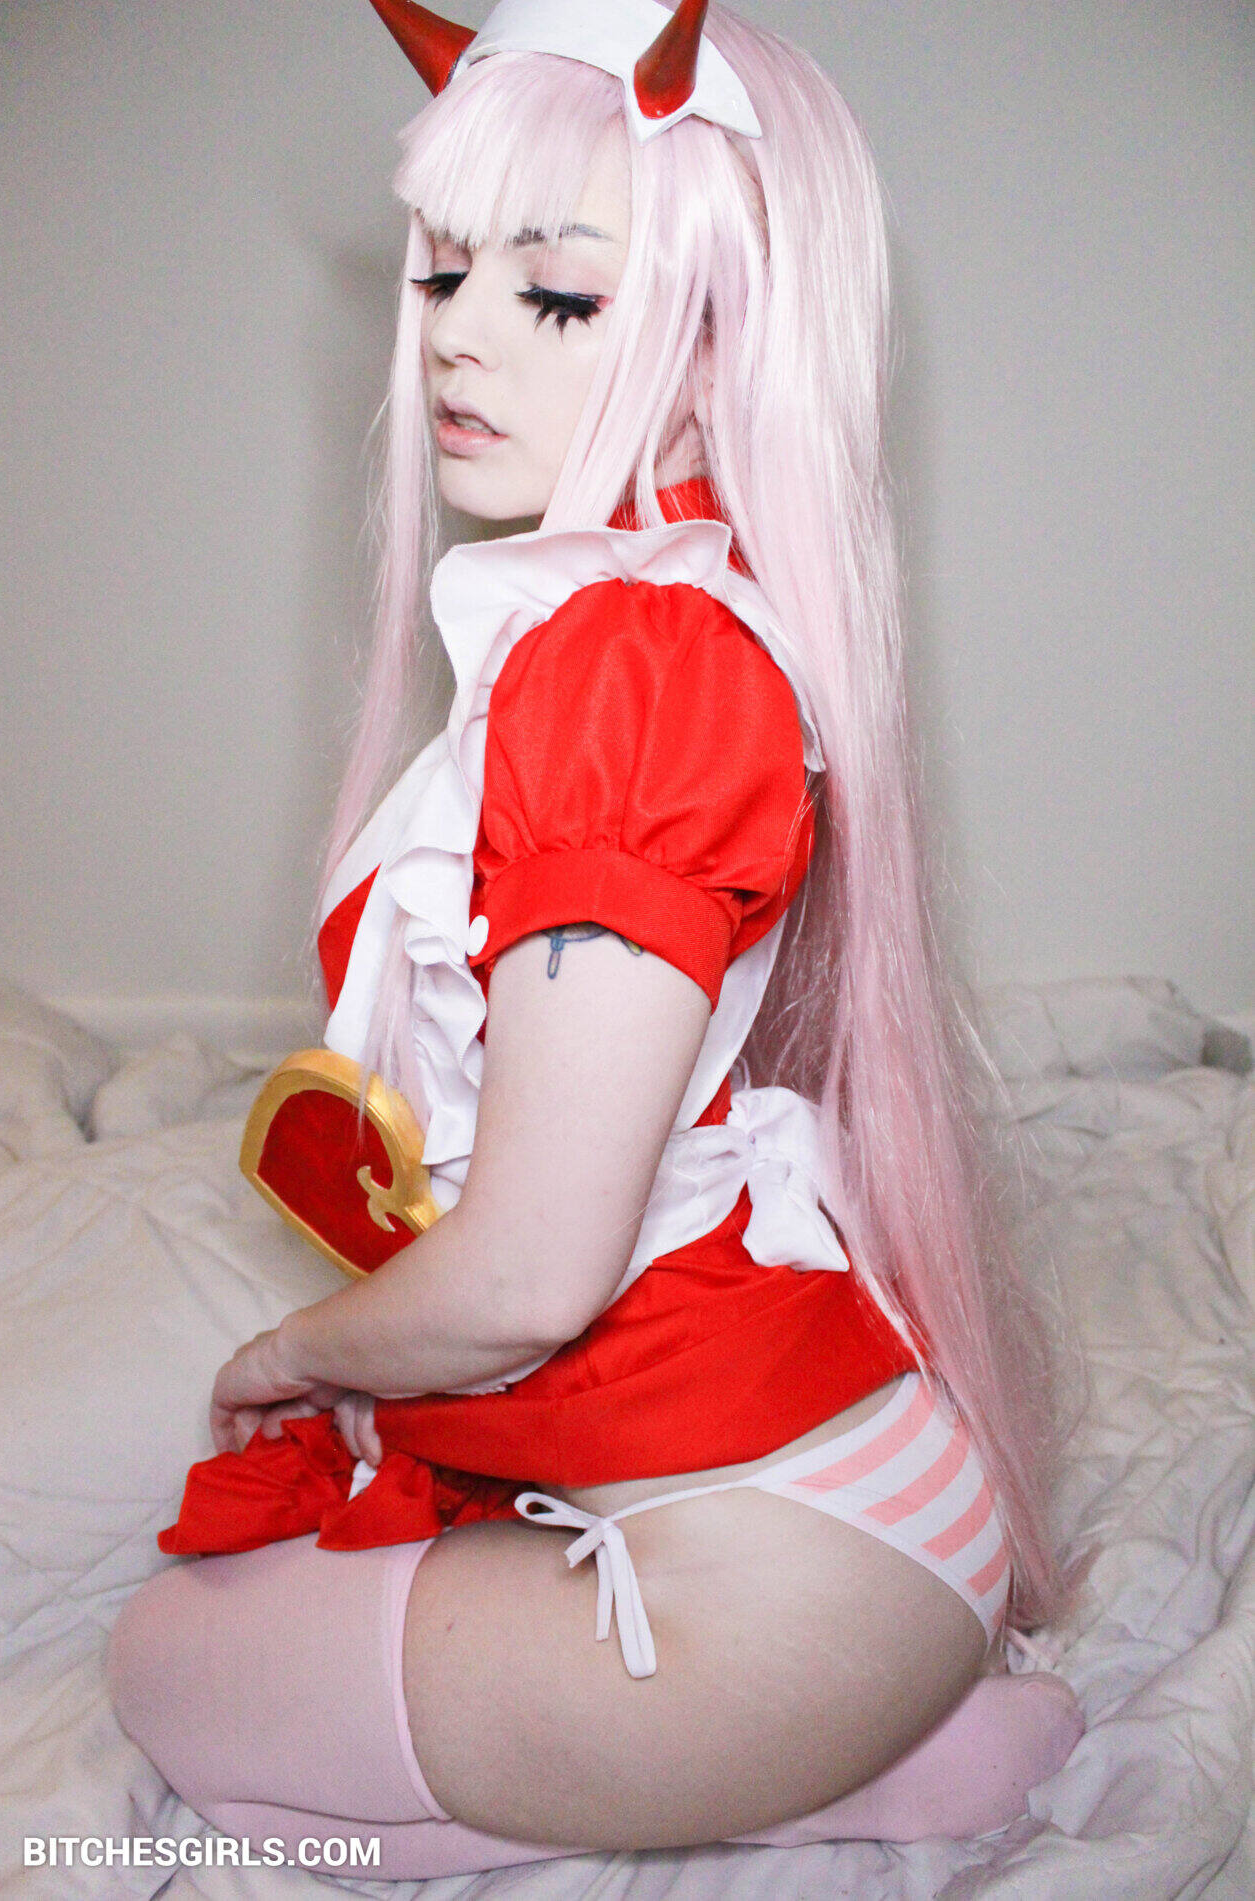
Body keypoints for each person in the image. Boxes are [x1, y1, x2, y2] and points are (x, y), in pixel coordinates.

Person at [108, 0, 1085, 1878]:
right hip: (863, 1531)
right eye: (443, 270)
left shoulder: (630, 666)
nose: (456, 332)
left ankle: (800, 1760)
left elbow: (528, 1278)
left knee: (168, 1672)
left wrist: (290, 1354)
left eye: (553, 294)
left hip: (782, 1596)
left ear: (722, 360)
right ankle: (883, 1753)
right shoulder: (656, 619)